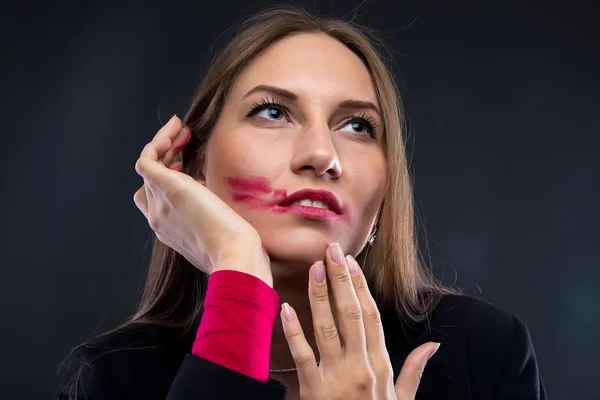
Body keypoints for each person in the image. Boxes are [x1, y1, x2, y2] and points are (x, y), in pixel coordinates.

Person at [57, 5, 545, 400]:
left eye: (357, 125)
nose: (321, 155)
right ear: (195, 162)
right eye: (273, 112)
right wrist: (239, 269)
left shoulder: (484, 354)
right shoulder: (113, 378)